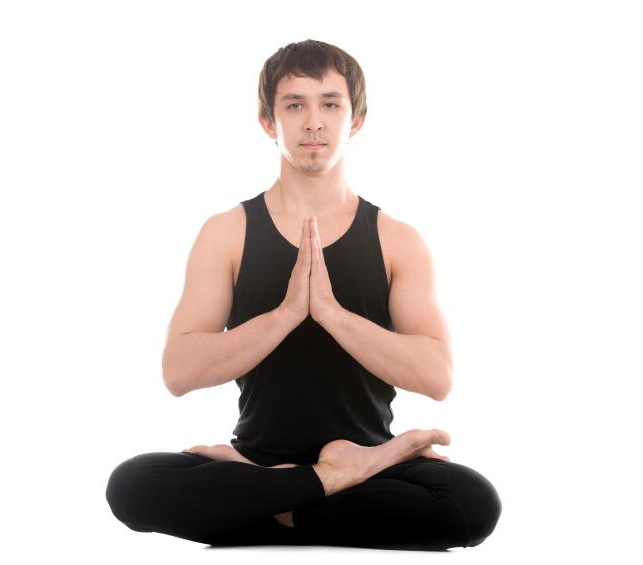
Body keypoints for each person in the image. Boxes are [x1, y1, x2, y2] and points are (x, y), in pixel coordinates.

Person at [105, 39, 502, 550]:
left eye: (330, 104)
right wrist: (287, 313)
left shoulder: (397, 239)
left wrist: (331, 314)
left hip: (367, 463)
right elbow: (178, 372)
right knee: (131, 484)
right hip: (262, 462)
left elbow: (437, 376)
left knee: (473, 503)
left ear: (355, 120)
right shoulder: (226, 233)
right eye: (295, 105)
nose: (314, 122)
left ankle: (276, 502)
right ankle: (323, 485)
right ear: (268, 122)